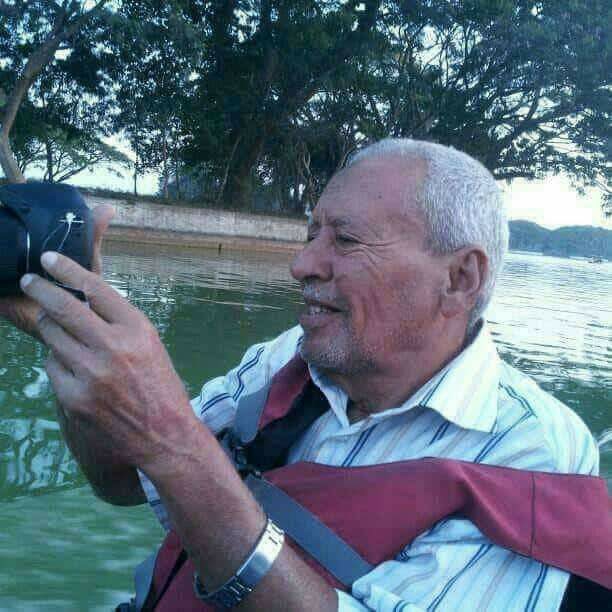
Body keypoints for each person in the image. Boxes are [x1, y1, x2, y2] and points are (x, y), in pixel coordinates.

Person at [0, 138, 602, 611]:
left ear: (460, 279)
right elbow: (126, 481)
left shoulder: (535, 454)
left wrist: (171, 435)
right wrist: (72, 332)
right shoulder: (291, 358)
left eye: (346, 239)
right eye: (312, 232)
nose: (302, 263)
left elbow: (167, 449)